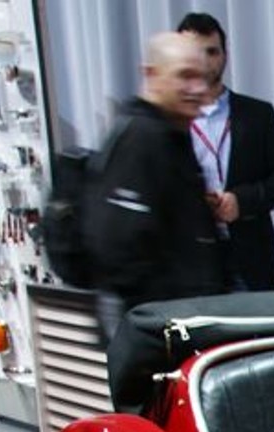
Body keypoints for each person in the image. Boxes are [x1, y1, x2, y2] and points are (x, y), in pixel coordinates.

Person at [85, 32, 228, 334]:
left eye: (202, 78)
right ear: (151, 75)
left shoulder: (171, 134)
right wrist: (161, 320)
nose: (197, 89)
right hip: (155, 328)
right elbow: (117, 247)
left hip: (182, 320)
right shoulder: (141, 138)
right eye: (185, 76)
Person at [176, 12, 274, 291]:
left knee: (260, 333)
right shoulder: (170, 120)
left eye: (212, 51)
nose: (206, 62)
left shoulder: (256, 114)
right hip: (191, 260)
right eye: (196, 53)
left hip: (250, 254)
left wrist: (241, 202)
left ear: (225, 54)